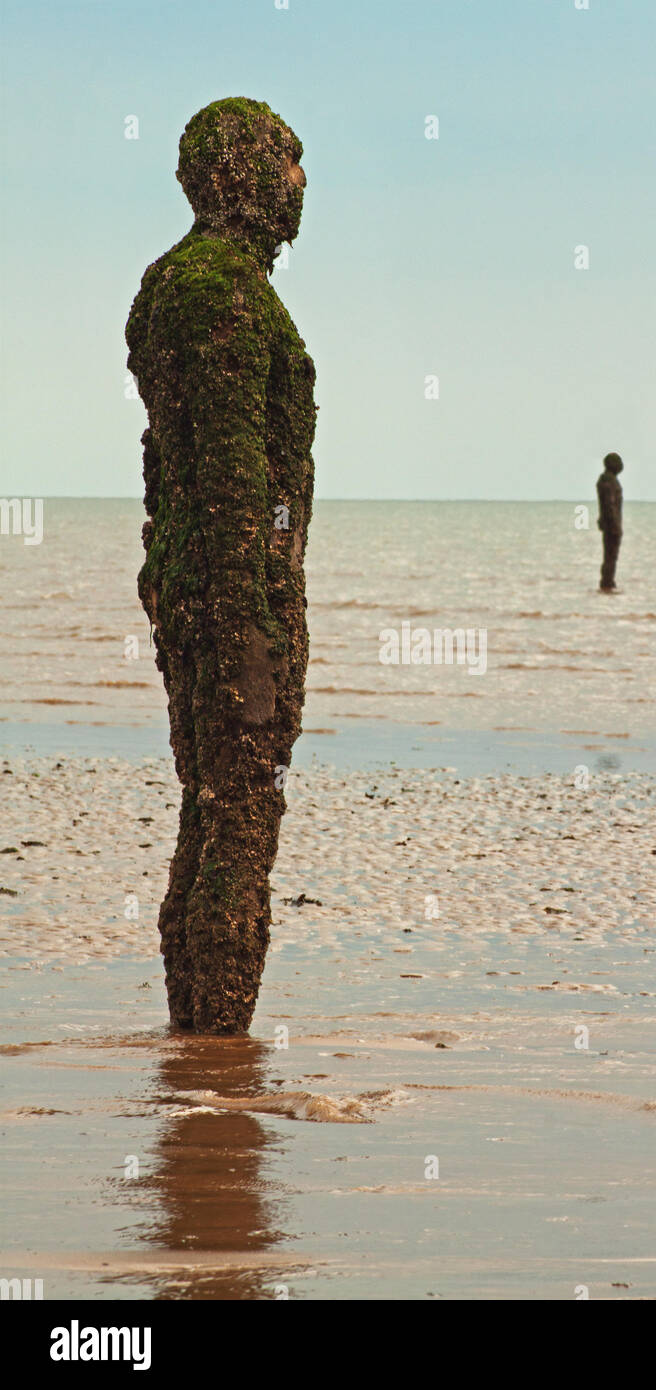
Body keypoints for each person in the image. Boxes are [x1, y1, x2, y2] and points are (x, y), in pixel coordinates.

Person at [125, 98, 316, 1033]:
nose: (301, 180)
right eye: (287, 159)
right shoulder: (226, 289)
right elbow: (236, 471)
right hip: (237, 601)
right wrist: (255, 629)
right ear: (240, 169)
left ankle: (192, 1043)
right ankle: (221, 1055)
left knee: (205, 811)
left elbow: (164, 464)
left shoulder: (164, 285)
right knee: (240, 825)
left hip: (188, 586)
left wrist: (171, 585)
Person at [596, 452, 624, 592]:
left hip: (611, 524)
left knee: (610, 556)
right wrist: (614, 525)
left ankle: (608, 582)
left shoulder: (607, 479)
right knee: (610, 557)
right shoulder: (608, 480)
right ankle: (607, 583)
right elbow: (609, 504)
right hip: (611, 525)